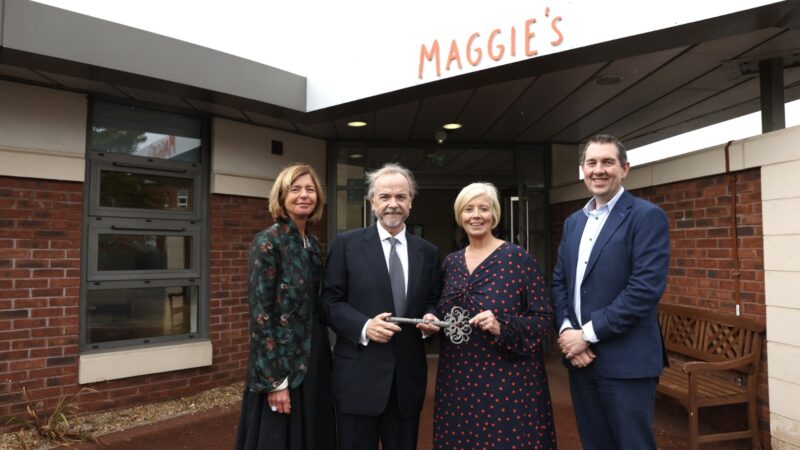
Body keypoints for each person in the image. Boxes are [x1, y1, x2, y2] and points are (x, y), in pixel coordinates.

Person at [552, 134, 670, 450]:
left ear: (624, 169)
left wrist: (585, 335)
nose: (599, 170)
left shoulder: (646, 216)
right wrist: (567, 332)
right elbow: (560, 282)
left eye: (608, 162)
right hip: (581, 361)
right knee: (595, 444)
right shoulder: (574, 222)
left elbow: (643, 291)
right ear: (582, 169)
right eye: (592, 162)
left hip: (626, 362)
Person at [321, 163, 443, 450]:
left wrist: (431, 318)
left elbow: (432, 300)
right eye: (385, 197)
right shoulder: (347, 245)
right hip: (358, 380)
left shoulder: (427, 252)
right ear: (372, 201)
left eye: (401, 197)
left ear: (411, 202)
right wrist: (365, 326)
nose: (393, 204)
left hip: (407, 383)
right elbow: (329, 302)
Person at [433, 182, 556, 449]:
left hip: (506, 377)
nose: (476, 215)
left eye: (483, 208)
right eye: (468, 209)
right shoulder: (450, 263)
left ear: (494, 216)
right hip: (458, 375)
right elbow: (439, 308)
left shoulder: (517, 259)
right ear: (460, 216)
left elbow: (543, 316)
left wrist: (502, 326)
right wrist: (432, 320)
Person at [235, 164, 336, 450]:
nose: (304, 195)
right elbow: (260, 316)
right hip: (282, 362)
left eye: (310, 189)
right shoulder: (268, 242)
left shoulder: (313, 244)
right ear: (281, 197)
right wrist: (274, 381)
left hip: (314, 355)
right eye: (295, 189)